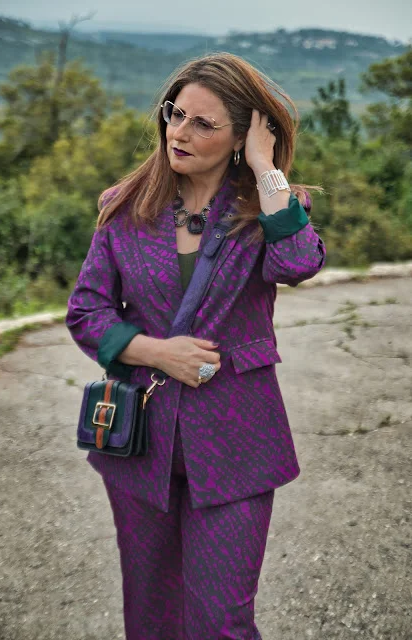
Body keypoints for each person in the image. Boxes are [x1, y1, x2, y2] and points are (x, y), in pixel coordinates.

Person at [66, 52, 326, 640]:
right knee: (152, 615)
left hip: (239, 443)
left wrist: (265, 168)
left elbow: (298, 263)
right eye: (175, 114)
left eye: (203, 123)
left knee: (220, 621)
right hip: (140, 442)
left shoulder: (270, 209)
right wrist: (156, 352)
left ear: (241, 137)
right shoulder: (125, 207)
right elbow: (86, 312)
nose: (179, 133)